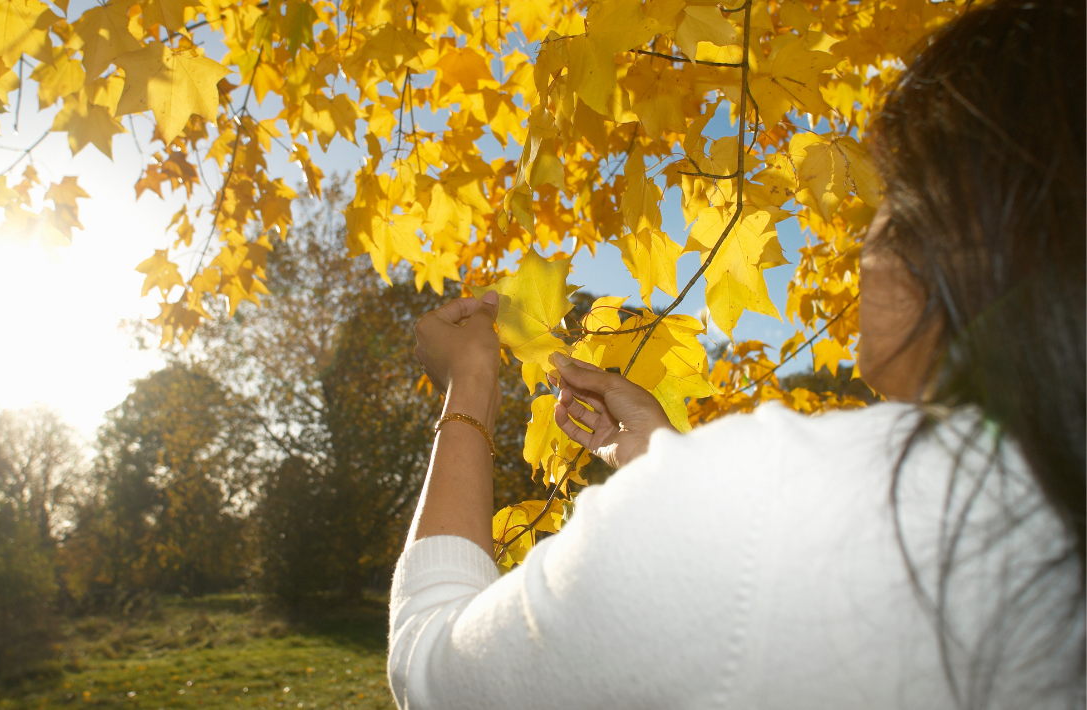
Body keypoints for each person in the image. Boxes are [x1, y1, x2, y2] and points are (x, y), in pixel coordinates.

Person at [389, 1, 1085, 708]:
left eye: (888, 196)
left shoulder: (775, 502)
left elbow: (434, 673)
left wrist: (468, 386)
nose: (863, 241)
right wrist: (661, 465)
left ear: (967, 225)